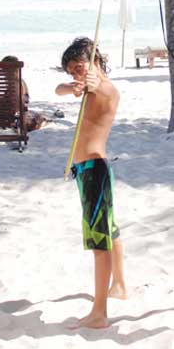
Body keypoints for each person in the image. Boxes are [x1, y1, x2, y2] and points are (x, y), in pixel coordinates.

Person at [55, 37, 126, 329]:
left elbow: (100, 86)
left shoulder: (105, 88)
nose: (76, 74)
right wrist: (71, 86)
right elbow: (59, 90)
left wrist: (91, 78)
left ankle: (99, 313)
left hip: (94, 168)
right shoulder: (83, 87)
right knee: (110, 229)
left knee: (100, 242)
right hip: (85, 169)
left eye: (79, 67)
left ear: (94, 60)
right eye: (71, 71)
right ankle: (119, 284)